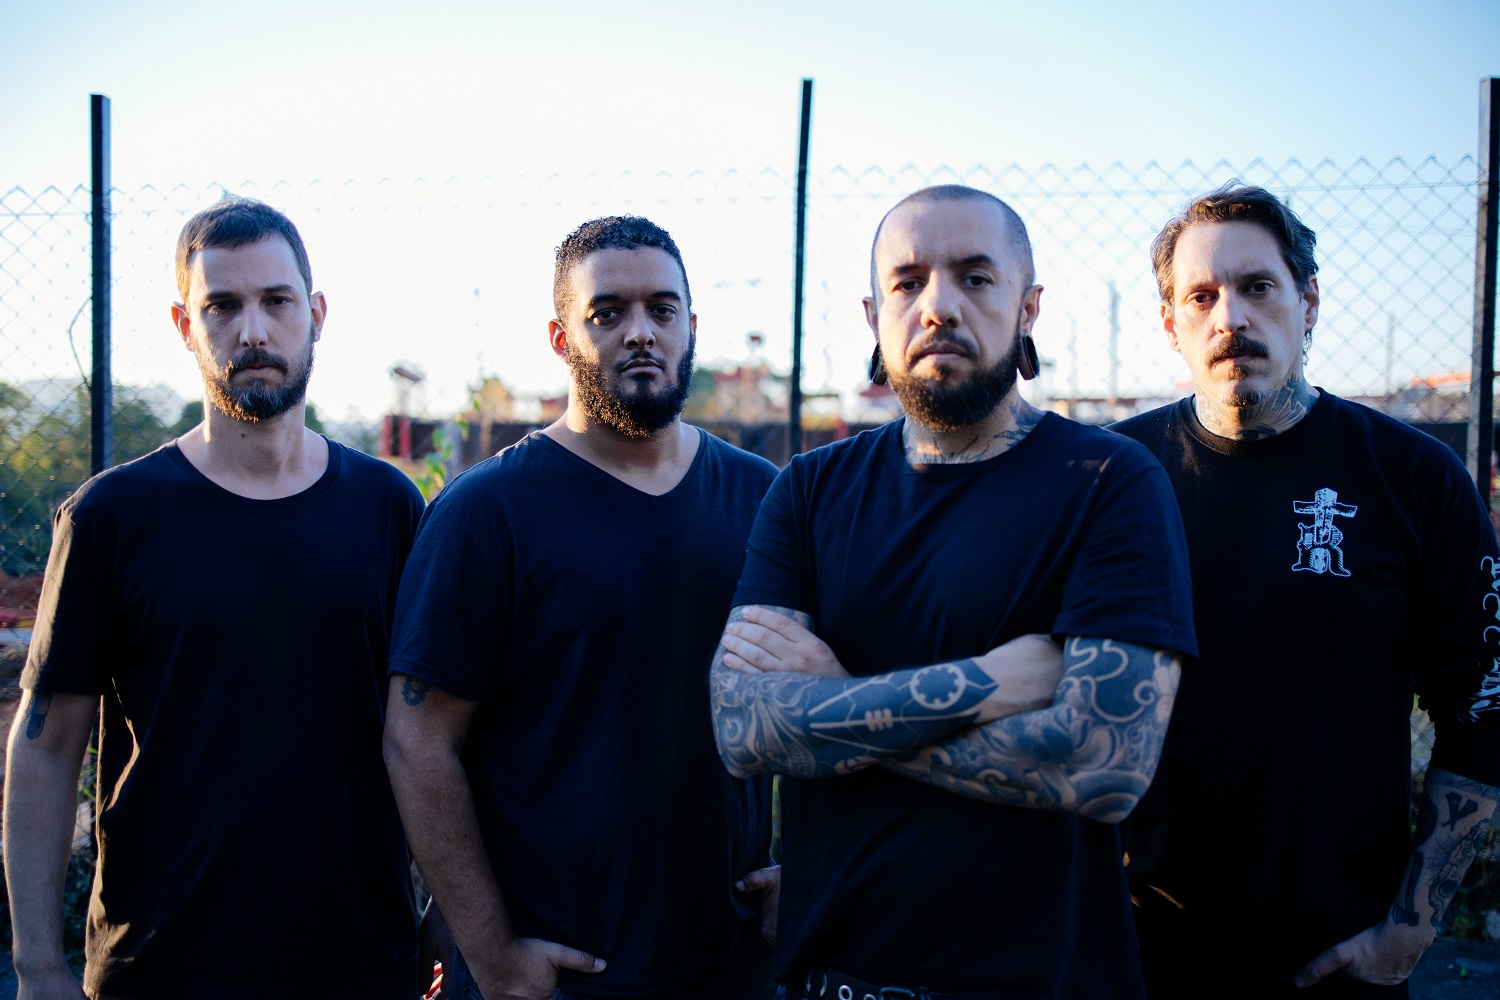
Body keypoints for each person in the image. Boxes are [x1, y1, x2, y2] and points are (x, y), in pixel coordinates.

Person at [707, 184, 1198, 1000]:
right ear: (875, 316)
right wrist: (989, 684)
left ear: (1028, 306)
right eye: (908, 282)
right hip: (835, 983)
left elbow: (1104, 765)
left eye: (975, 277)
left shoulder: (1109, 481)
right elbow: (743, 728)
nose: (938, 306)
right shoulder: (809, 491)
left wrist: (834, 699)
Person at [3, 197, 423, 999]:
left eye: (277, 301)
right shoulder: (111, 518)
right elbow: (47, 745)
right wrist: (37, 964)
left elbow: (432, 733)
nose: (253, 331)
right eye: (221, 306)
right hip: (159, 965)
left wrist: (450, 909)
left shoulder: (388, 507)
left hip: (362, 962)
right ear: (184, 324)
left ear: (316, 315)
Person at [1112, 184, 1500, 999]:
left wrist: (1408, 929)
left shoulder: (1412, 478)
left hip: (1339, 957)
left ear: (1308, 302)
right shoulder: (1114, 480)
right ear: (1171, 323)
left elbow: (1484, 713)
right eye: (1202, 296)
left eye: (1258, 286)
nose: (1231, 317)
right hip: (1138, 951)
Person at [382, 215, 782, 1000]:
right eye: (608, 312)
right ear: (562, 338)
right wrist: (494, 955)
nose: (641, 332)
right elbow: (417, 741)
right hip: (552, 973)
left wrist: (811, 869)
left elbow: (825, 704)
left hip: (729, 961)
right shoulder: (486, 511)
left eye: (662, 309)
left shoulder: (764, 499)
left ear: (691, 328)